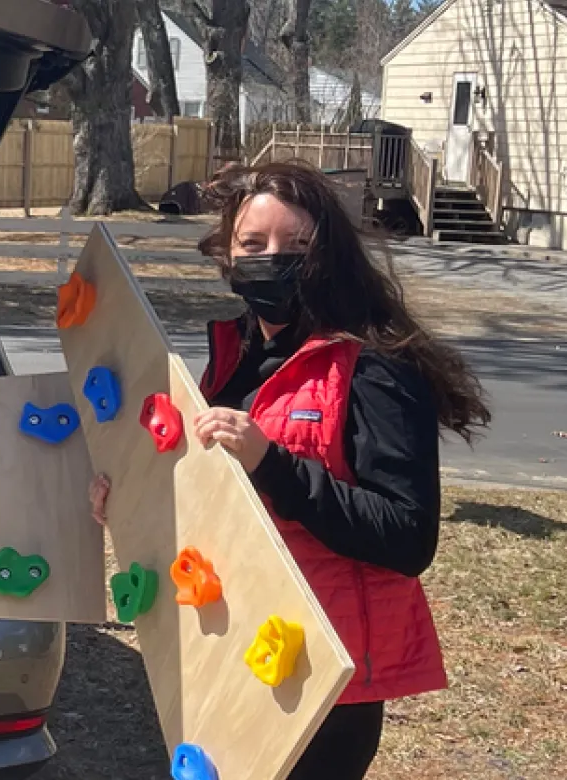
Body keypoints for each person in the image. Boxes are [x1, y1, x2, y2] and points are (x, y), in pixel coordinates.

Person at [89, 161, 491, 779]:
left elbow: (408, 537)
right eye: (253, 244)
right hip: (234, 644)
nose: (271, 259)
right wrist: (130, 501)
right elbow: (217, 501)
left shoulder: (376, 367)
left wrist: (273, 463)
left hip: (324, 675)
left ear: (328, 256)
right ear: (227, 255)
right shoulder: (233, 358)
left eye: (296, 245)